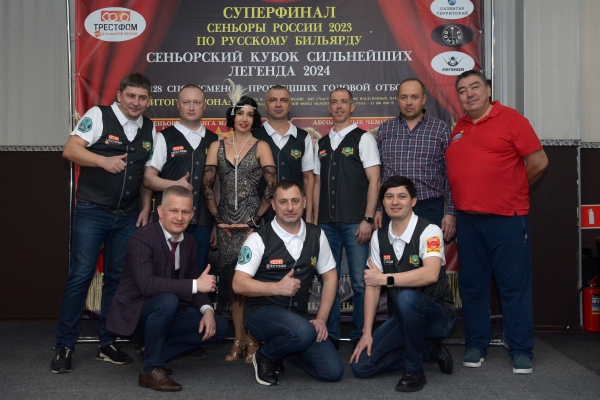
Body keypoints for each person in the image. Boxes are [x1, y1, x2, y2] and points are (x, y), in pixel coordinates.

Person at [445, 70, 548, 374]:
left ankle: (521, 349)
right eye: (462, 90)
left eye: (475, 87)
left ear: (488, 90)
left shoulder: (512, 119)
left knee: (513, 286)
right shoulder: (460, 127)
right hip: (468, 221)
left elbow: (539, 162)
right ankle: (476, 345)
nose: (469, 94)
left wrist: (514, 190)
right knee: (472, 286)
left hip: (506, 219)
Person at [52, 73, 155, 374]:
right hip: (92, 211)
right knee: (80, 276)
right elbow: (70, 150)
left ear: (148, 101)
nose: (135, 102)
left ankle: (107, 342)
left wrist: (146, 207)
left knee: (117, 279)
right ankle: (64, 345)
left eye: (142, 98)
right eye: (130, 95)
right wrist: (102, 161)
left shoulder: (150, 128)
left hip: (127, 216)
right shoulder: (98, 115)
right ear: (120, 95)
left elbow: (146, 175)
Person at [105, 185, 228, 392]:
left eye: (185, 212)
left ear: (192, 215)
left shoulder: (190, 242)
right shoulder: (142, 238)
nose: (179, 217)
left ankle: (152, 351)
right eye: (174, 211)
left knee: (220, 326)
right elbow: (147, 285)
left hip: (168, 311)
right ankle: (151, 370)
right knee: (168, 300)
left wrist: (207, 310)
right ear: (161, 211)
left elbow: (193, 283)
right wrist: (195, 285)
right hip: (135, 313)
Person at [350, 176, 456, 392]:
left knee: (407, 297)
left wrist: (386, 279)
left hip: (438, 316)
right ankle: (428, 351)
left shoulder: (430, 231)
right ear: (383, 202)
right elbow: (372, 284)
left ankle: (413, 371)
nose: (395, 202)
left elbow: (431, 274)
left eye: (401, 196)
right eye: (389, 197)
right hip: (404, 318)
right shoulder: (378, 237)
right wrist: (366, 333)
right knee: (361, 367)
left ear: (413, 201)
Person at [232, 180, 343, 386]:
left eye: (295, 201)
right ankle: (265, 355)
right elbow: (238, 284)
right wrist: (276, 288)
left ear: (304, 202)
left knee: (332, 371)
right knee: (302, 332)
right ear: (273, 205)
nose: (290, 208)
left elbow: (330, 277)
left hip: (298, 319)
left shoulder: (317, 234)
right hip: (261, 314)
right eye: (283, 202)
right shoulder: (258, 239)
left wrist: (321, 319)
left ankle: (283, 351)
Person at [202, 94, 277, 363]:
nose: (244, 119)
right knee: (234, 285)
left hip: (253, 224)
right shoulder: (217, 145)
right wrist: (217, 219)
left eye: (249, 114)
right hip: (225, 225)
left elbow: (271, 186)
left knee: (252, 285)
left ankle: (254, 339)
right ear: (232, 116)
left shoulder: (261, 146)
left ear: (254, 119)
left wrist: (255, 221)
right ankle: (238, 339)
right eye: (240, 113)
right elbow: (207, 184)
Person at [313, 88, 381, 347]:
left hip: (356, 223)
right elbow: (317, 185)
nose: (339, 106)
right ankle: (329, 334)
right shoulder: (321, 143)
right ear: (328, 108)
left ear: (352, 107)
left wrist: (367, 219)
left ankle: (361, 334)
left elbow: (375, 181)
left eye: (344, 102)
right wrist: (315, 222)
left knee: (361, 282)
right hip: (326, 225)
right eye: (334, 102)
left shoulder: (363, 139)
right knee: (327, 279)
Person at [144, 84, 219, 272]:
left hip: (202, 222)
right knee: (165, 275)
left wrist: (216, 223)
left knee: (197, 277)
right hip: (168, 223)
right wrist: (175, 185)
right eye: (186, 102)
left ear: (204, 106)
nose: (191, 107)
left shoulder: (216, 141)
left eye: (197, 103)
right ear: (178, 105)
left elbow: (217, 186)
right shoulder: (163, 137)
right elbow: (148, 179)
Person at [375, 78, 455, 240]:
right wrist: (377, 209)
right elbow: (377, 174)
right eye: (404, 97)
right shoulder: (385, 129)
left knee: (430, 254)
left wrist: (450, 212)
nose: (409, 102)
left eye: (414, 97)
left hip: (430, 207)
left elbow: (451, 174)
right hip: (393, 208)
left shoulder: (440, 129)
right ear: (397, 100)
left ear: (424, 99)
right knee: (393, 255)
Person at [252, 85, 315, 223]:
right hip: (262, 218)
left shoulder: (303, 137)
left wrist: (308, 216)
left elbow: (308, 179)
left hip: (295, 216)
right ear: (266, 106)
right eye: (273, 100)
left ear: (289, 106)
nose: (278, 104)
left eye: (283, 100)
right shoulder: (253, 137)